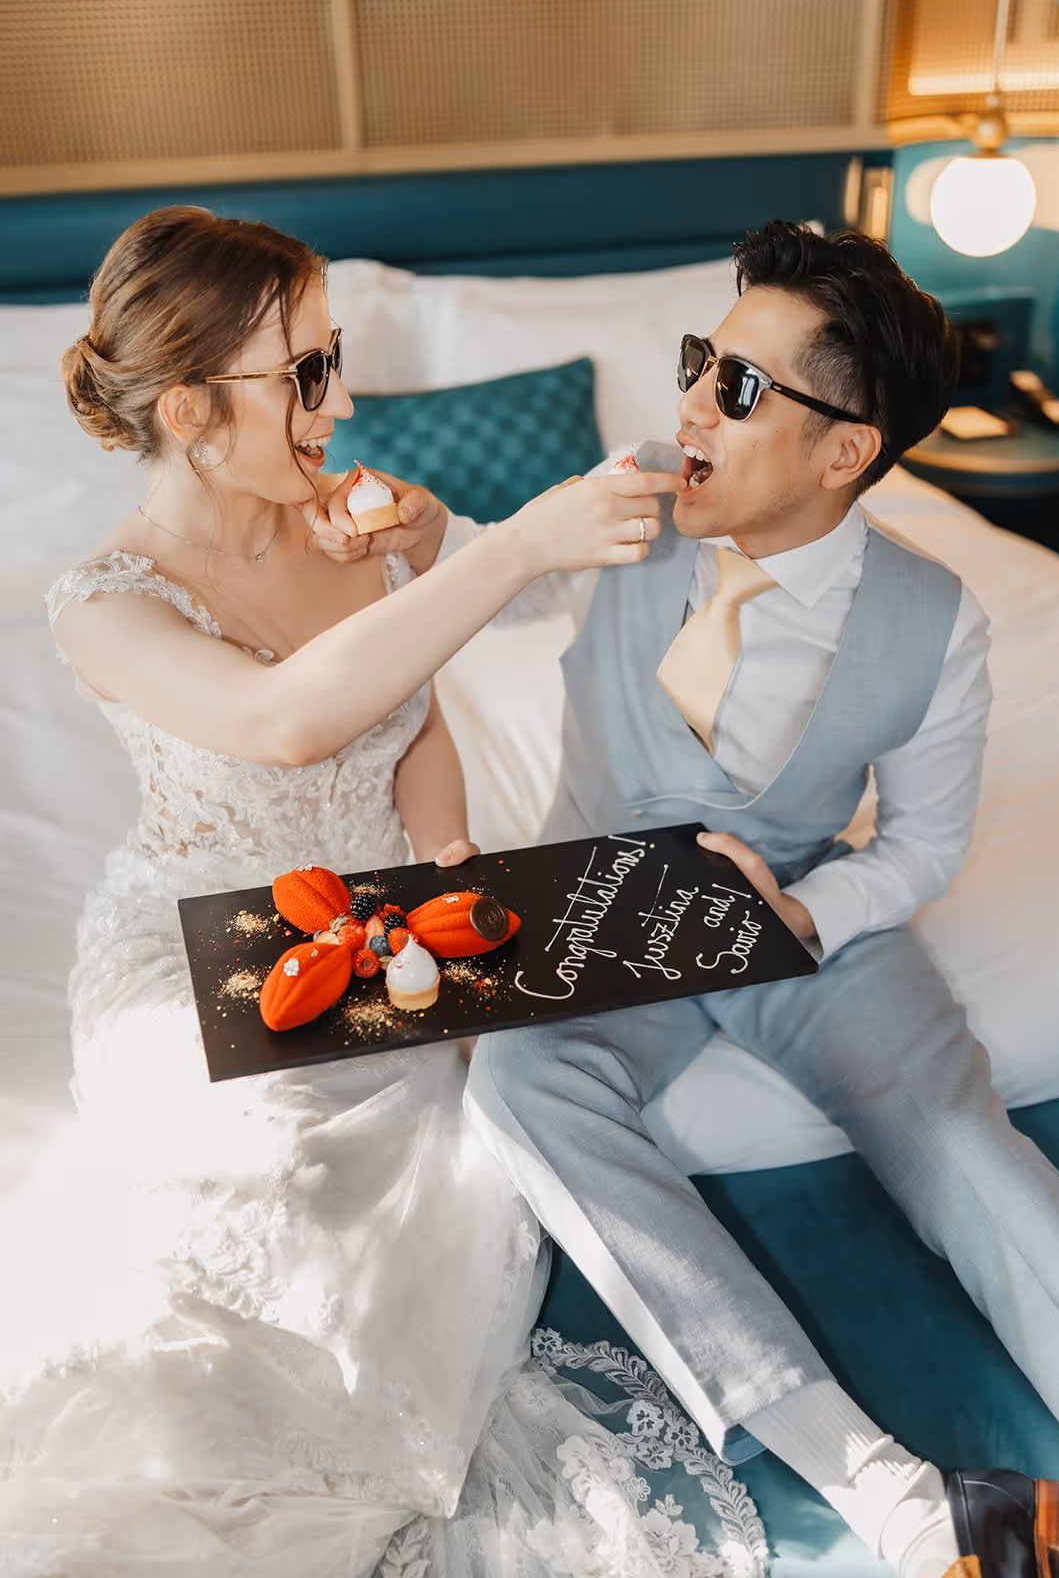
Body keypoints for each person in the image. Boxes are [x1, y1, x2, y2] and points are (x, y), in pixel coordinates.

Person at [344, 223, 1059, 1578]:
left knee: (951, 1129)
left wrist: (809, 917)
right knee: (519, 1087)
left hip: (797, 906)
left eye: (736, 388)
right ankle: (887, 1494)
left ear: (844, 451)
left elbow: (920, 845)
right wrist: (436, 533)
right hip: (598, 904)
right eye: (697, 362)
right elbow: (508, 572)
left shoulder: (936, 620)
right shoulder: (630, 494)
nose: (688, 405)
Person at [0, 205, 698, 1575]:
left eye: (337, 362)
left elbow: (407, 723)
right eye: (308, 373)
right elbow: (286, 724)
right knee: (274, 1173)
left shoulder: (354, 529)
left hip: (382, 933)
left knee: (481, 1133)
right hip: (196, 952)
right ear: (191, 408)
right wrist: (509, 545)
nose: (345, 403)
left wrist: (446, 863)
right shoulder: (101, 602)